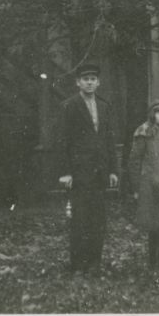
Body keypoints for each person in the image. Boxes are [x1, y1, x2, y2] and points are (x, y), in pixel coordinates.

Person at [56, 62, 119, 275]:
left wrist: (113, 170)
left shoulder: (104, 106)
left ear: (98, 82)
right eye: (85, 79)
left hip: (100, 171)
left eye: (93, 79)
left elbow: (109, 140)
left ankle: (94, 263)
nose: (89, 82)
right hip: (79, 172)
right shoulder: (69, 106)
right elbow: (63, 141)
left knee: (98, 220)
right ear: (78, 82)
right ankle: (78, 264)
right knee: (80, 219)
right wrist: (66, 172)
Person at [127, 99, 159, 273]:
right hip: (149, 184)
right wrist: (136, 188)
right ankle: (152, 262)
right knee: (153, 224)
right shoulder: (144, 132)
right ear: (153, 114)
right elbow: (134, 161)